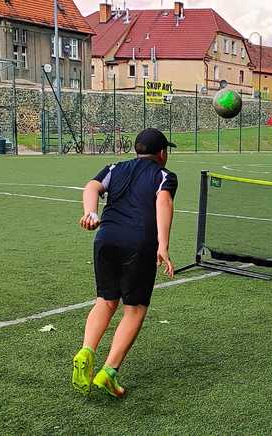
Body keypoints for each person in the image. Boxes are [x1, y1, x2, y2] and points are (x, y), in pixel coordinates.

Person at [72, 128, 178, 398]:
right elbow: (163, 202)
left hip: (106, 238)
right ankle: (108, 372)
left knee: (105, 300)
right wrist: (163, 245)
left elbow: (91, 186)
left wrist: (91, 212)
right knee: (135, 309)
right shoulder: (164, 175)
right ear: (162, 154)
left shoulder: (115, 167)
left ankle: (86, 350)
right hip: (138, 243)